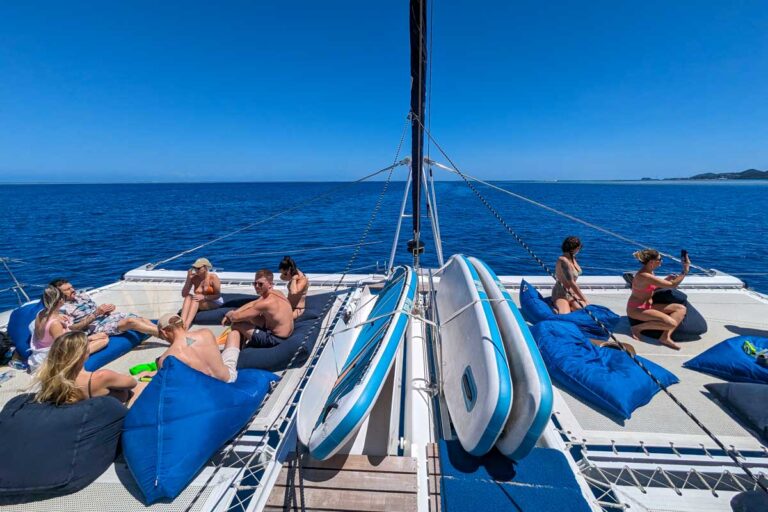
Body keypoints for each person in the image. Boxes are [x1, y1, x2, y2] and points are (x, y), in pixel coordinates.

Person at [34, 331, 141, 406]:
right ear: (83, 353)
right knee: (139, 385)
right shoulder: (101, 376)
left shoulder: (49, 377)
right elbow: (132, 383)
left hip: (81, 414)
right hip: (106, 415)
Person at [29, 285, 109, 372]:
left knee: (101, 335)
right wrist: (86, 339)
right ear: (60, 301)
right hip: (54, 357)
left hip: (43, 349)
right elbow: (63, 348)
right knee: (104, 339)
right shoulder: (55, 324)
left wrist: (58, 316)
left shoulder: (40, 313)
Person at [626, 249, 690, 350]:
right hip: (637, 309)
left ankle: (665, 337)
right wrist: (684, 271)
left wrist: (665, 280)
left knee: (681, 308)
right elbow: (673, 285)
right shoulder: (644, 275)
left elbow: (651, 287)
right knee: (671, 324)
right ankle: (637, 328)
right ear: (652, 262)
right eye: (660, 259)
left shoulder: (649, 272)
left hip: (648, 306)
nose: (662, 261)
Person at [51, 278, 159, 338]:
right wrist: (96, 314)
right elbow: (72, 328)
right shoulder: (62, 309)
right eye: (68, 290)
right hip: (94, 328)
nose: (73, 290)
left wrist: (106, 310)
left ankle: (165, 332)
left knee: (140, 319)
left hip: (106, 319)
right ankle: (167, 336)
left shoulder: (82, 296)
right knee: (131, 321)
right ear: (59, 293)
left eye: (72, 287)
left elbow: (96, 310)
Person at [155, 313, 240, 383]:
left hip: (207, 389)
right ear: (183, 325)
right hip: (229, 378)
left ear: (164, 332)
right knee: (234, 334)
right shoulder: (206, 333)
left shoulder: (167, 358)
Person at [222, 269, 294, 349]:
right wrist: (236, 311)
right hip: (285, 334)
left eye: (260, 284)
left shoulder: (266, 303)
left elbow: (234, 318)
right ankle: (245, 344)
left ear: (270, 284)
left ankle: (239, 350)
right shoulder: (278, 293)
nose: (257, 286)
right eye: (255, 283)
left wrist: (229, 314)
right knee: (249, 317)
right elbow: (253, 304)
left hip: (275, 339)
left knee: (236, 324)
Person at [180, 257, 223, 329]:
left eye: (198, 268)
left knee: (195, 299)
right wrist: (188, 279)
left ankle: (186, 325)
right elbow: (184, 294)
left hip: (213, 301)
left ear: (205, 268)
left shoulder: (213, 277)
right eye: (194, 268)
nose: (196, 270)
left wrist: (204, 297)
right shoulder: (193, 278)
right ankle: (182, 322)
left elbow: (218, 295)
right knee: (188, 297)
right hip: (200, 301)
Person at [551, 236, 589, 314]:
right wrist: (584, 299)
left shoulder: (573, 258)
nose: (579, 250)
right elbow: (571, 283)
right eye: (579, 248)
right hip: (561, 294)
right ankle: (555, 307)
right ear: (574, 249)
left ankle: (569, 306)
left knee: (581, 309)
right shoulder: (563, 260)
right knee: (565, 314)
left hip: (572, 294)